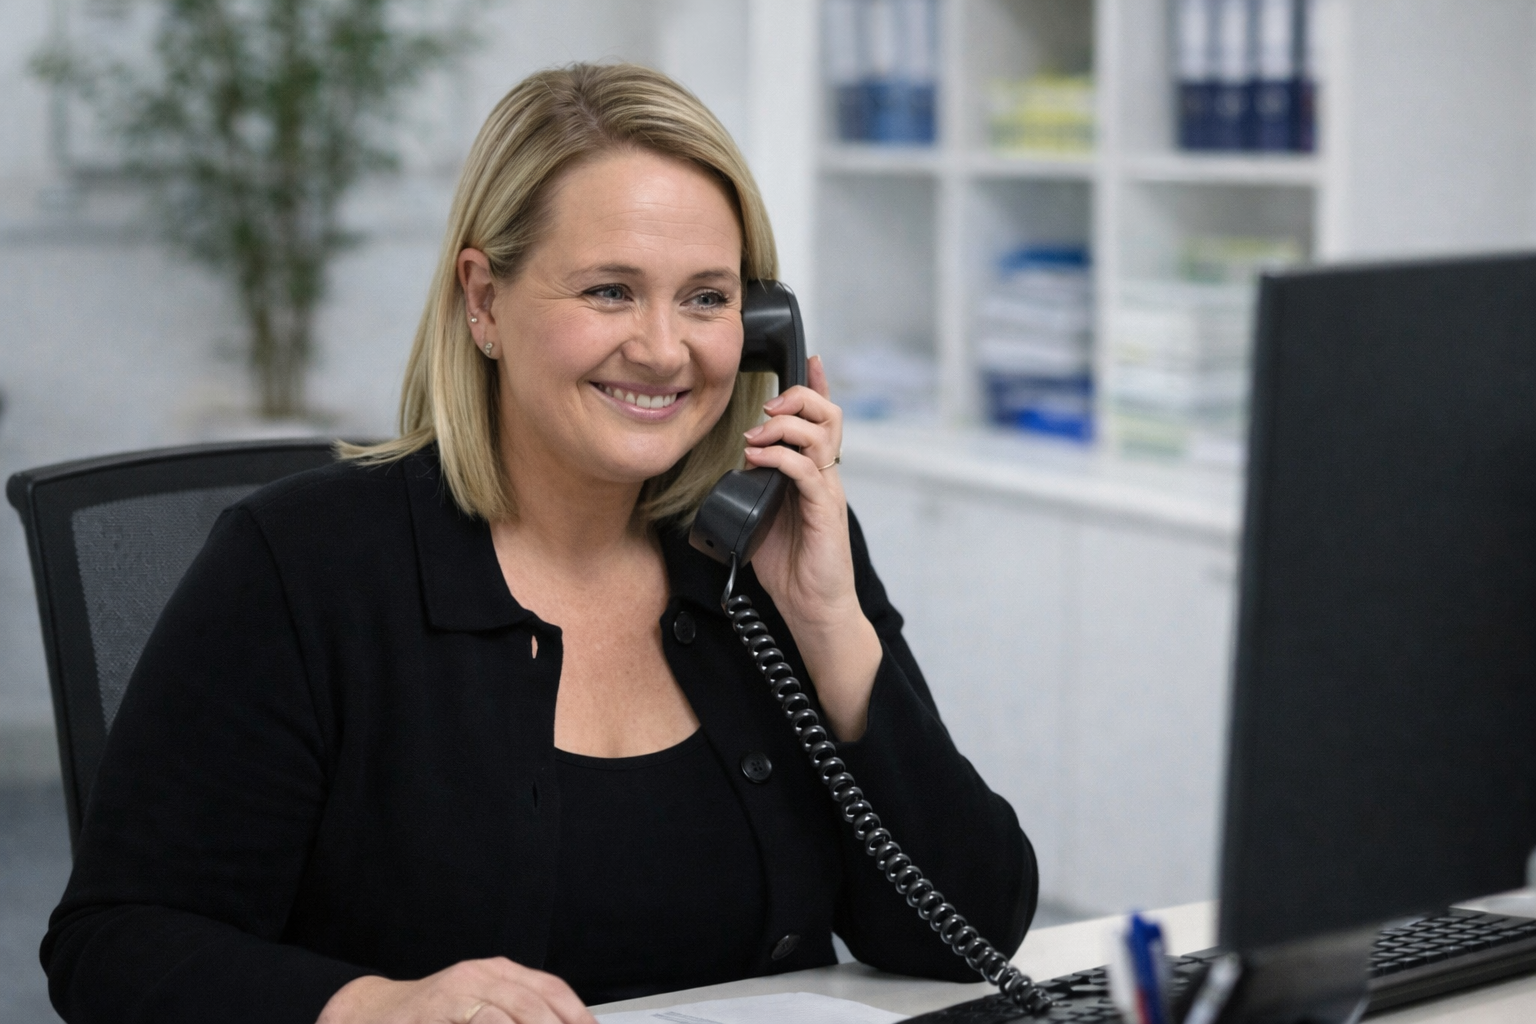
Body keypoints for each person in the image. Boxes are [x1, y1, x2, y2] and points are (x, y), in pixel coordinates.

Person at [42, 63, 1036, 1024]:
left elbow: (968, 934)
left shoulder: (773, 551)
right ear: (482, 298)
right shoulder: (301, 566)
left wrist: (830, 625)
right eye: (608, 290)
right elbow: (116, 944)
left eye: (707, 296)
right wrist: (373, 1005)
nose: (662, 347)